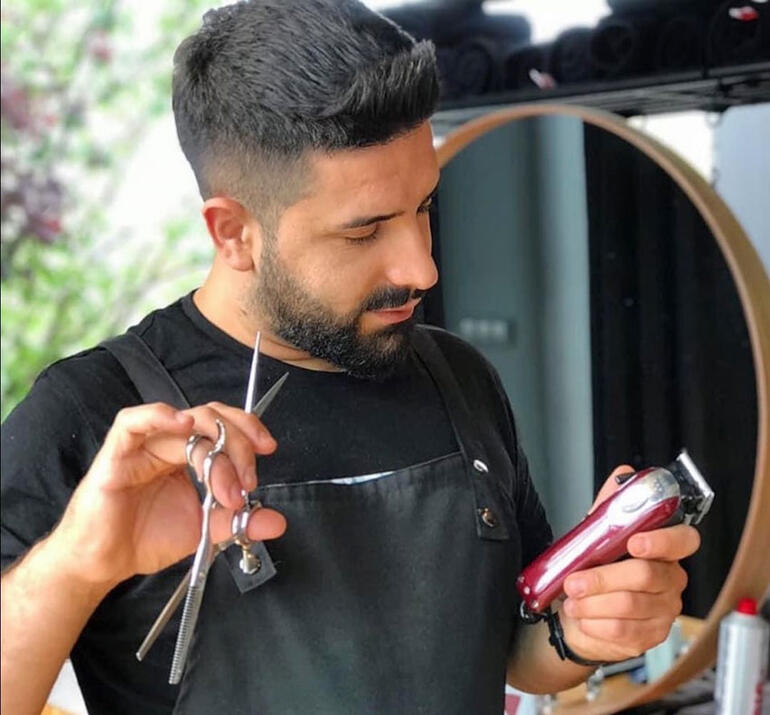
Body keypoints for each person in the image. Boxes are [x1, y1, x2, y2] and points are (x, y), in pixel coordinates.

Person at [0, 1, 700, 713]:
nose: (422, 268)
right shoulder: (93, 417)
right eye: (364, 232)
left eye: (423, 207)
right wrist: (75, 565)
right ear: (233, 232)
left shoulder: (459, 380)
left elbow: (515, 650)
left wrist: (583, 629)